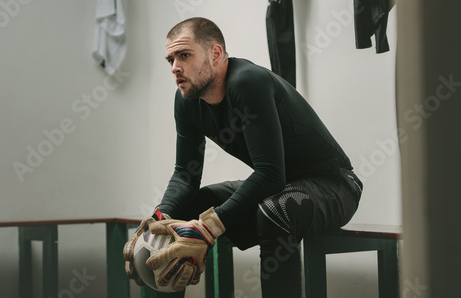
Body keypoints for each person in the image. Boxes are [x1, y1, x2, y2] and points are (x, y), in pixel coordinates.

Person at [124, 17, 363, 297]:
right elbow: (185, 175)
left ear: (215, 54)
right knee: (184, 214)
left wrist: (208, 228)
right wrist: (159, 220)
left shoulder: (248, 82)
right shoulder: (187, 100)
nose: (175, 67)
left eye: (185, 55)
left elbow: (271, 174)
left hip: (335, 185)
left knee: (276, 209)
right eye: (170, 60)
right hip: (280, 186)